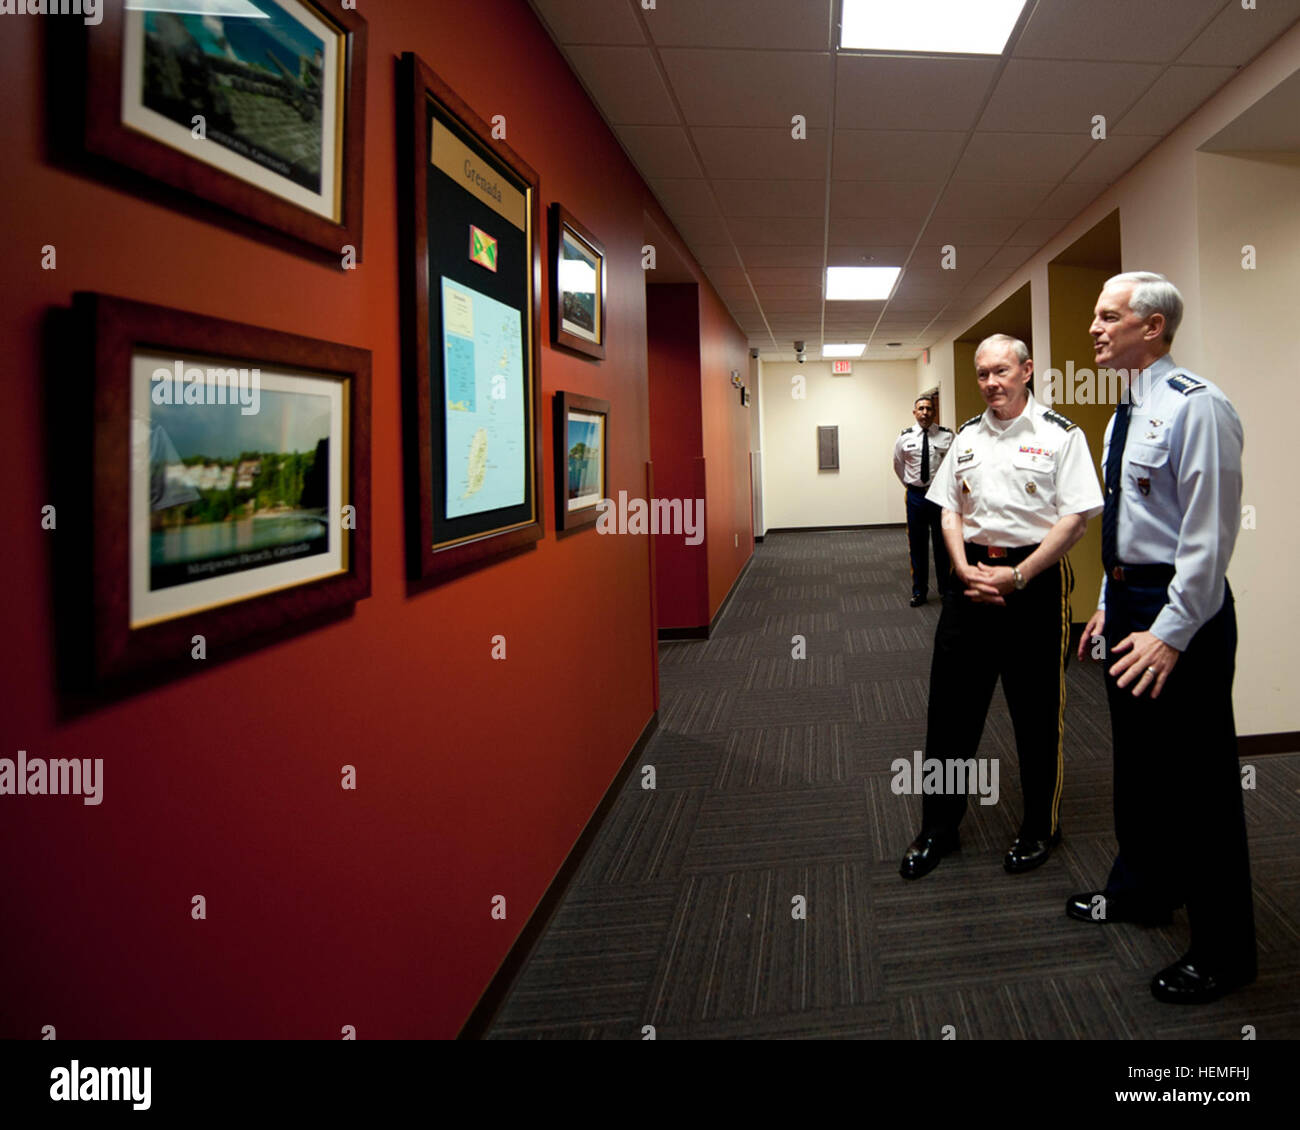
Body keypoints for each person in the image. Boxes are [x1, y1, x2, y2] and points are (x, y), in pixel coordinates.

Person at [1069, 271, 1255, 1005]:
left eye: (1108, 315)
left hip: (1188, 611)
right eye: (1095, 313)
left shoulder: (1198, 408)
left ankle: (1225, 952)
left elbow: (1207, 544)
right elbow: (1128, 531)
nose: (1094, 327)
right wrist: (1112, 606)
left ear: (1152, 326)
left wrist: (1170, 633)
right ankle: (1143, 891)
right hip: (1132, 598)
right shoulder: (1122, 416)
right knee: (1141, 768)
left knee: (1202, 786)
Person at [899, 335, 1103, 880]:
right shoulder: (966, 435)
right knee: (949, 713)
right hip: (970, 581)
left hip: (1033, 586)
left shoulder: (1061, 436)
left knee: (1036, 715)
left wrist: (1019, 574)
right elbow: (947, 508)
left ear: (1027, 370)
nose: (991, 382)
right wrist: (959, 568)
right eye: (983, 373)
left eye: (1002, 371)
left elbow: (1076, 518)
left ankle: (1040, 826)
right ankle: (938, 828)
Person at [893, 395, 953, 606]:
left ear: (934, 412)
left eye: (928, 408)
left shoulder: (947, 436)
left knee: (942, 546)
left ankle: (945, 590)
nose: (925, 412)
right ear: (914, 412)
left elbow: (953, 467)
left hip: (939, 497)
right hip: (916, 497)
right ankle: (919, 591)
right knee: (917, 546)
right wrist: (912, 485)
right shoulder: (904, 437)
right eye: (921, 409)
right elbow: (898, 465)